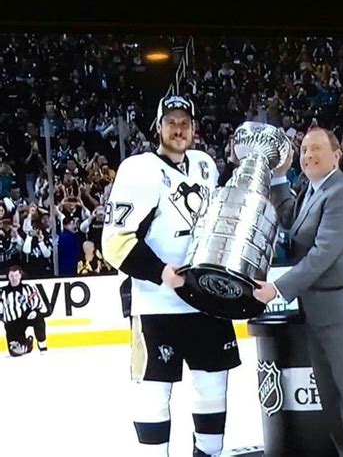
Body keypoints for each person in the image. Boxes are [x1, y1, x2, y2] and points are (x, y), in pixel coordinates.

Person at [102, 95, 240, 457]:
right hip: (157, 304)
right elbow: (114, 243)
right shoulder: (138, 169)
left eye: (185, 123)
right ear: (158, 127)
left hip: (208, 302)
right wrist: (162, 273)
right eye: (171, 122)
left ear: (194, 128)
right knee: (153, 392)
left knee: (212, 387)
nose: (178, 129)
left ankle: (208, 454)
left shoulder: (206, 166)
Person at [254, 127, 343, 457]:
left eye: (316, 149)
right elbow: (288, 222)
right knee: (332, 399)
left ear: (337, 155)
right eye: (304, 149)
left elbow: (324, 253)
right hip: (319, 313)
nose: (308, 155)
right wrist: (279, 178)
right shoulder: (311, 192)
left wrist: (278, 289)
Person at [0, 265, 49, 356]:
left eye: (16, 275)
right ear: (8, 276)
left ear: (20, 275)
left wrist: (34, 311)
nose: (14, 278)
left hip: (26, 316)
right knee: (14, 352)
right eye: (11, 276)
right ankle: (28, 344)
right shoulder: (2, 292)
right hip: (12, 323)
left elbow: (37, 302)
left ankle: (42, 344)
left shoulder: (28, 288)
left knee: (38, 318)